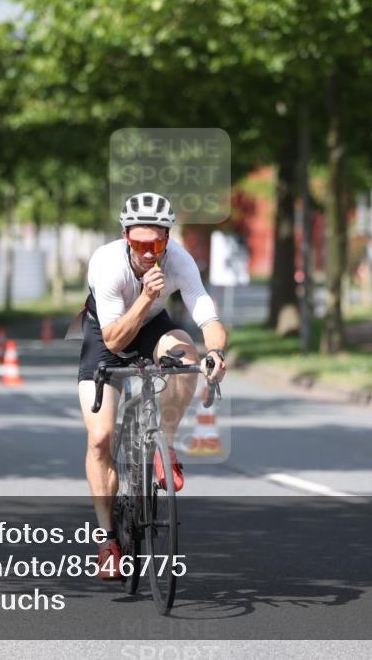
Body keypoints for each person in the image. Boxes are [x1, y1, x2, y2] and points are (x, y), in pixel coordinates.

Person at [77, 191, 227, 580]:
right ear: (125, 237)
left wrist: (217, 353)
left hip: (152, 327)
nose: (148, 252)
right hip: (108, 331)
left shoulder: (178, 259)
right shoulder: (107, 264)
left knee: (186, 355)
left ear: (167, 239)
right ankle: (107, 539)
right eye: (139, 243)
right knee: (100, 438)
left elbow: (204, 310)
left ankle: (166, 444)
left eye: (156, 243)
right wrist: (145, 296)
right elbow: (114, 341)